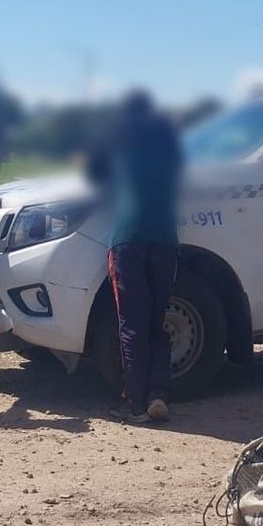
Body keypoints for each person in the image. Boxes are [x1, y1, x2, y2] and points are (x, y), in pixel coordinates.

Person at [88, 91, 184, 424]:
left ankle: (135, 403)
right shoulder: (170, 147)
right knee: (157, 324)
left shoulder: (117, 142)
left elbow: (94, 175)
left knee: (131, 325)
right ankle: (159, 394)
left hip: (127, 240)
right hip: (165, 240)